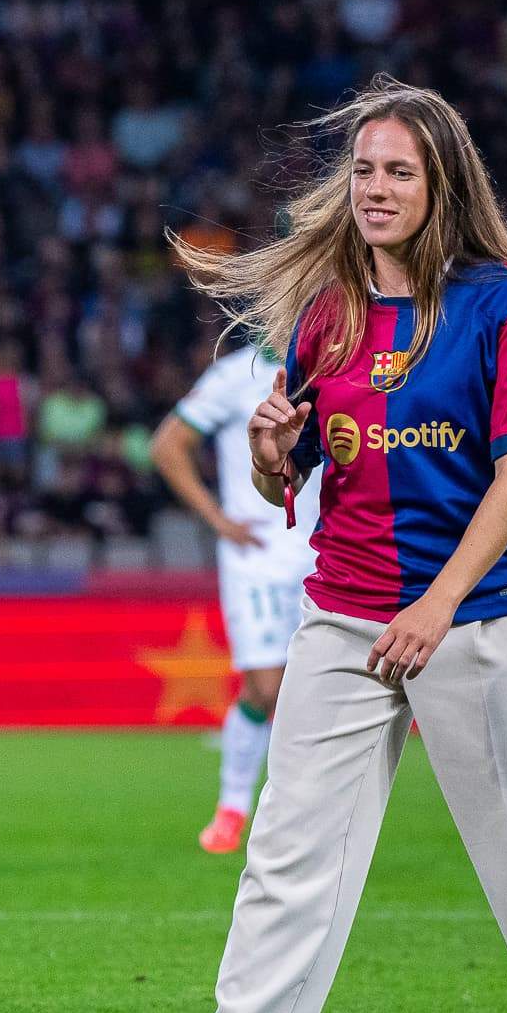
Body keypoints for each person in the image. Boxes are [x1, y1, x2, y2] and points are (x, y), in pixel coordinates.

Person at [120, 79, 507, 1013]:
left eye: (398, 172)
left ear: (441, 183)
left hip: (485, 614)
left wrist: (440, 602)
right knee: (289, 838)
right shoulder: (325, 310)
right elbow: (294, 479)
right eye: (363, 169)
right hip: (344, 612)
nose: (375, 187)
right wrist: (275, 458)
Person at [149, 341, 319, 852]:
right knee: (267, 689)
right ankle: (233, 806)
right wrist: (217, 519)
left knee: (309, 694)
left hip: (325, 553)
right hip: (259, 558)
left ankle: (297, 815)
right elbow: (167, 445)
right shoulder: (235, 375)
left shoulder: (335, 362)